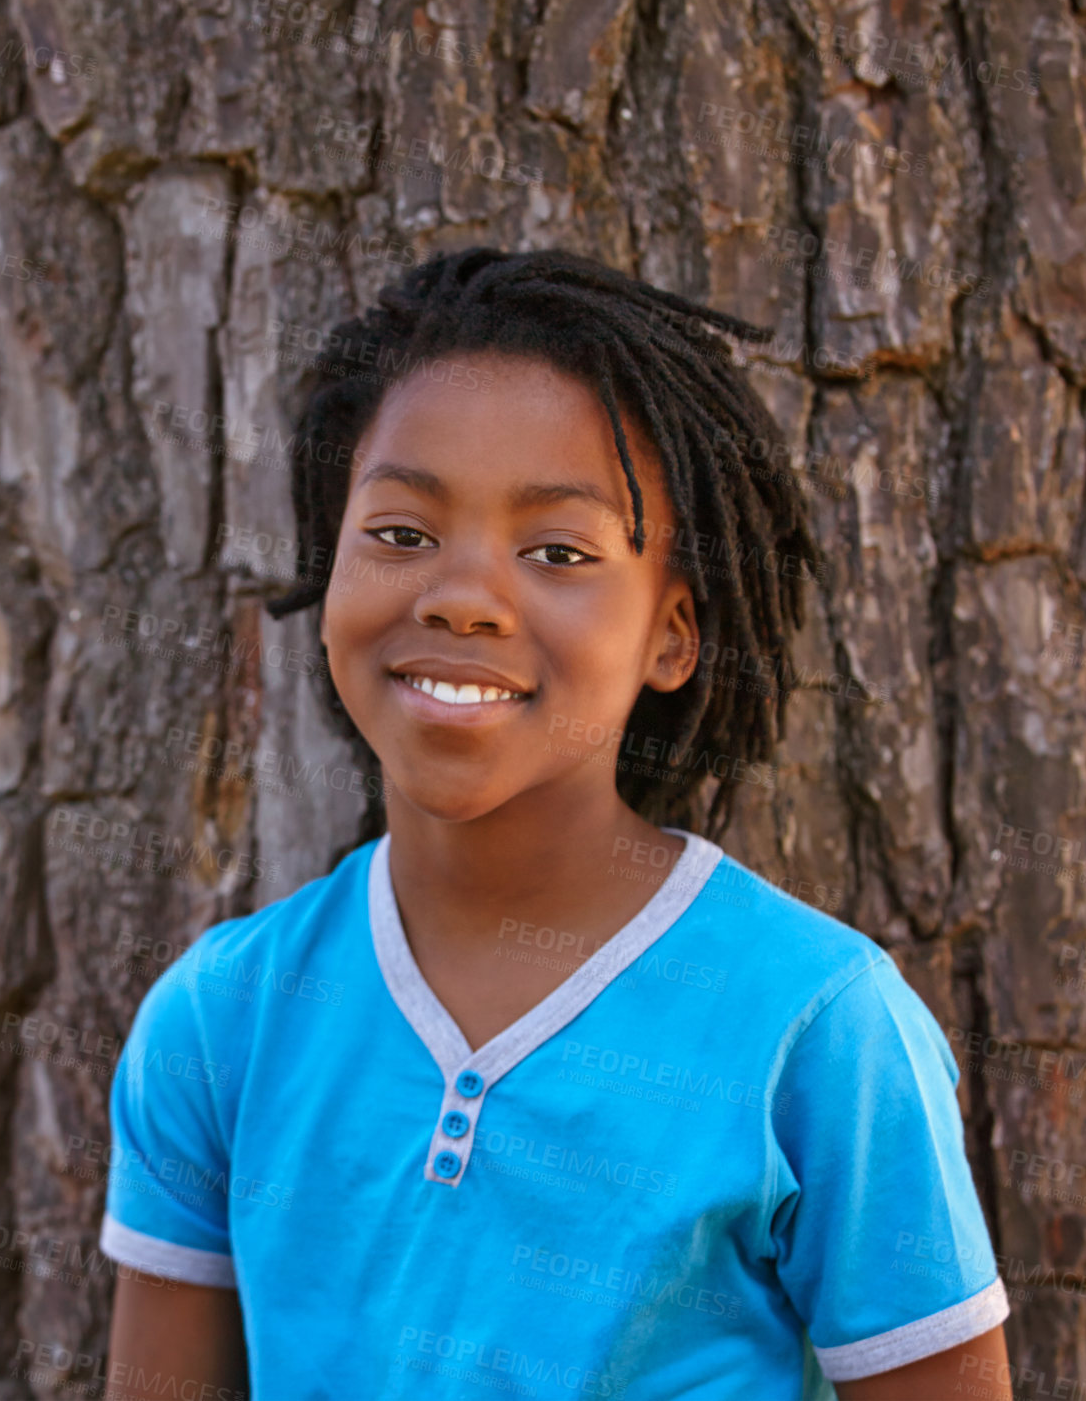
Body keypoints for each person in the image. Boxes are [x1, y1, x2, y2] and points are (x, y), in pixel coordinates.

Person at [99, 247, 1012, 1400]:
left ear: (672, 635)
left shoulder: (821, 1028)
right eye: (399, 532)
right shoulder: (221, 1014)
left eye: (558, 552)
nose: (462, 594)